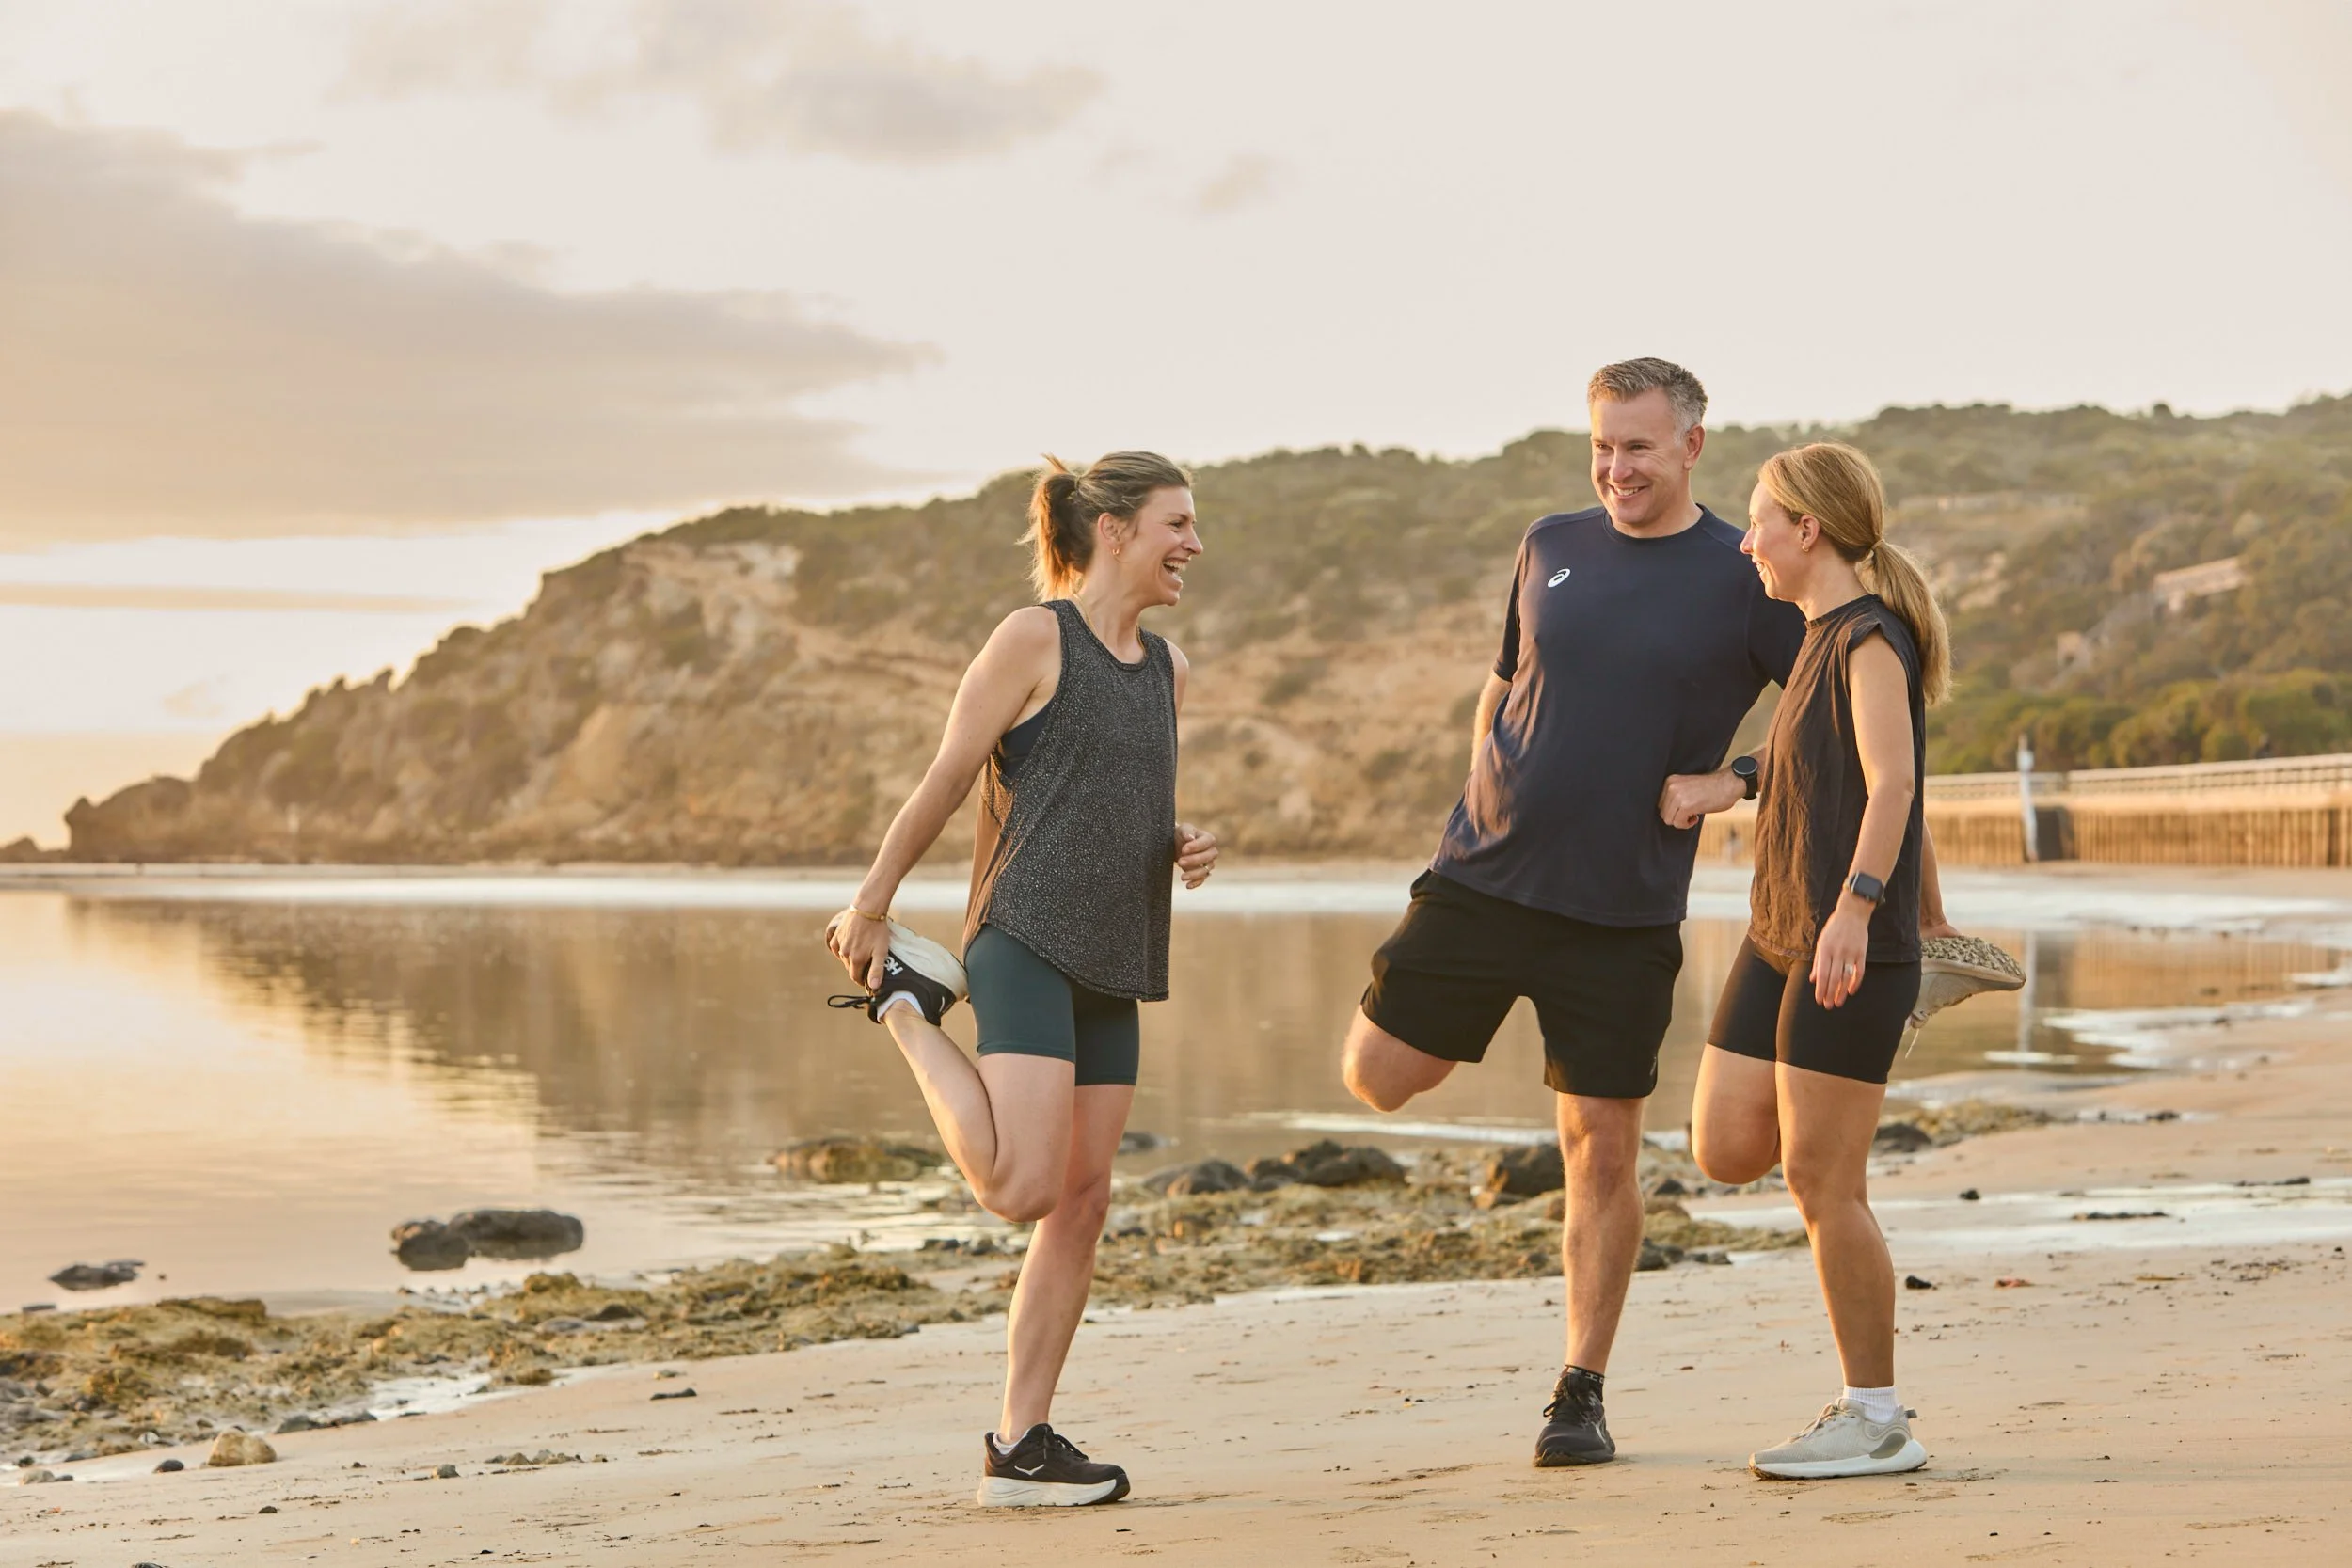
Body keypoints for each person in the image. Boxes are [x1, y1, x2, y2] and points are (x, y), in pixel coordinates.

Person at [1340, 358, 1807, 1466]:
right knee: (1378, 1075)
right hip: (1484, 877)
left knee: (1600, 1149)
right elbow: (1502, 681)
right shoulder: (1548, 541)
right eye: (1601, 444)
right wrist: (1478, 785)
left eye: (1637, 447)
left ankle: (1579, 1390)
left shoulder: (1743, 576)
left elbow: (1833, 698)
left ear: (1692, 445)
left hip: (1623, 908)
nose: (1615, 468)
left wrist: (1731, 781)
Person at [824, 451, 1219, 1507]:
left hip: (1121, 951)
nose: (1192, 544)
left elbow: (1116, 792)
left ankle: (1022, 1440)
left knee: (1080, 1203)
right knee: (1019, 1187)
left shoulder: (1170, 668)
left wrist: (1179, 836)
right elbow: (950, 775)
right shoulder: (1034, 636)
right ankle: (907, 1006)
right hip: (1027, 935)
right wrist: (871, 902)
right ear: (1116, 529)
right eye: (1176, 523)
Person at [1683, 439, 1952, 1479]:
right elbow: (1825, 765)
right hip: (1778, 929)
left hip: (1844, 938)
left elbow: (1892, 785)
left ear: (1809, 528)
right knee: (1724, 1143)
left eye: (1758, 521)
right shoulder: (1814, 641)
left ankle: (1876, 1415)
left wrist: (1867, 909)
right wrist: (1734, 777)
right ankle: (1868, 1406)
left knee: (1821, 1179)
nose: (1744, 540)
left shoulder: (1869, 639)